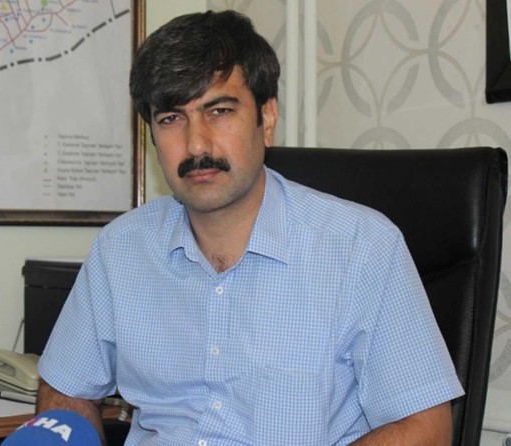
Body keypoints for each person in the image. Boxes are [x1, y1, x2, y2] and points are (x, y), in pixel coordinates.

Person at [36, 10, 464, 445]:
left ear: (267, 117)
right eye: (171, 119)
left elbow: (425, 429)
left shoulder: (362, 247)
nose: (196, 144)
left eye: (219, 111)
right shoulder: (120, 249)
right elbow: (65, 391)